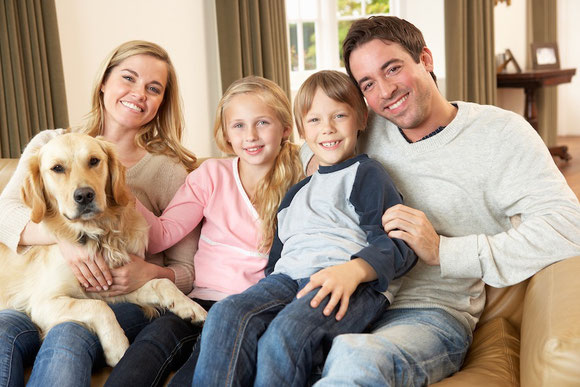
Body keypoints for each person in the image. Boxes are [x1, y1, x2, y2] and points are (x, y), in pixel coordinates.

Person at [297, 16, 580, 386]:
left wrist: (444, 251)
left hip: (427, 313)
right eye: (368, 83)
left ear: (425, 59)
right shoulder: (363, 128)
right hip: (347, 298)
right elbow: (309, 148)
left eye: (393, 68)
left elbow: (567, 226)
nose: (385, 91)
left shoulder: (500, 134)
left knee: (356, 358)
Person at [192, 70, 417, 386]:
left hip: (343, 283)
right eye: (314, 120)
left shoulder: (367, 174)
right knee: (226, 315)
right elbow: (278, 257)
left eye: (339, 115)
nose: (327, 129)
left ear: (361, 119)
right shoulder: (295, 192)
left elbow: (399, 244)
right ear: (300, 129)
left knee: (283, 335)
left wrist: (353, 271)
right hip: (286, 279)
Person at [0, 40, 201, 387]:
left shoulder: (170, 172)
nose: (139, 93)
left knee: (68, 333)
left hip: (120, 297)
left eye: (153, 88)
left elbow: (188, 270)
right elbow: (5, 214)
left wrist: (149, 272)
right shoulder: (49, 143)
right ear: (104, 82)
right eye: (128, 78)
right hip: (31, 296)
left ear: (161, 102)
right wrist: (66, 241)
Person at [131, 75, 304, 385]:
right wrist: (123, 195)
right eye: (238, 125)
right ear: (226, 133)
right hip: (197, 301)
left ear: (286, 129)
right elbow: (161, 235)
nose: (250, 135)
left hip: (248, 311)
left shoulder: (300, 179)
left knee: (197, 371)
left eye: (262, 122)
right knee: (147, 349)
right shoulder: (211, 175)